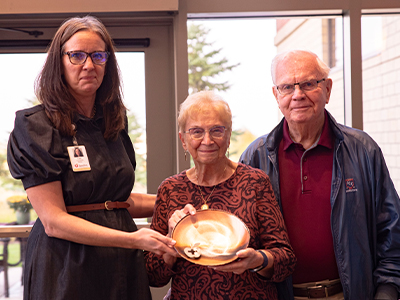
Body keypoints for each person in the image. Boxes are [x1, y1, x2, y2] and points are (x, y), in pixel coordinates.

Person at [7, 16, 177, 300]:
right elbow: (54, 221)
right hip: (66, 266)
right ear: (58, 63)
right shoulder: (36, 126)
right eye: (76, 55)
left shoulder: (113, 122)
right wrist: (132, 240)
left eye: (98, 55)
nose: (89, 65)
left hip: (120, 263)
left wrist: (178, 200)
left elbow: (115, 202)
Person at [240, 50, 400, 300]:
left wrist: (387, 293)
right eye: (286, 87)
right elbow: (242, 235)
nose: (298, 95)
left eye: (308, 84)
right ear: (276, 95)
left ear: (327, 89)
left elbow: (392, 233)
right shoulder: (255, 158)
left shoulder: (362, 150)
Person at [145, 91, 296, 299]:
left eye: (216, 130)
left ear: (228, 135)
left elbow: (285, 261)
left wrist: (258, 260)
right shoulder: (170, 189)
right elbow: (153, 276)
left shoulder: (255, 182)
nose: (207, 141)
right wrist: (171, 241)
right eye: (196, 132)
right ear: (183, 139)